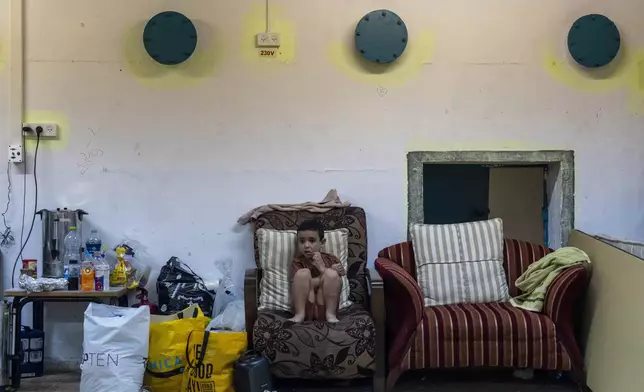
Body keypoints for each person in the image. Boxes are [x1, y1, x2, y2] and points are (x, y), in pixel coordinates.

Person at [288, 219, 345, 323]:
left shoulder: (332, 259)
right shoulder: (297, 262)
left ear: (322, 242)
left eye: (312, 240)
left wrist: (322, 269)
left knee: (332, 275)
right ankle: (299, 315)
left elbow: (338, 285)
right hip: (306, 307)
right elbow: (298, 285)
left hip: (324, 306)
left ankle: (331, 315)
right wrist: (325, 275)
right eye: (302, 241)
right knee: (303, 274)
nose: (306, 245)